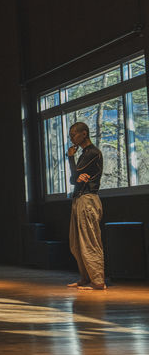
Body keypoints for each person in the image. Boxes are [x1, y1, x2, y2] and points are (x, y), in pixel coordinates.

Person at [66, 122, 106, 291]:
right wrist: (75, 174)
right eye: (70, 135)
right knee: (76, 242)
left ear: (84, 134)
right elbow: (72, 179)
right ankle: (86, 277)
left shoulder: (93, 153)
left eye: (74, 134)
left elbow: (75, 174)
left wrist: (70, 158)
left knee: (90, 241)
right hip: (79, 199)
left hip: (88, 199)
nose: (71, 137)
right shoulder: (84, 153)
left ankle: (98, 281)